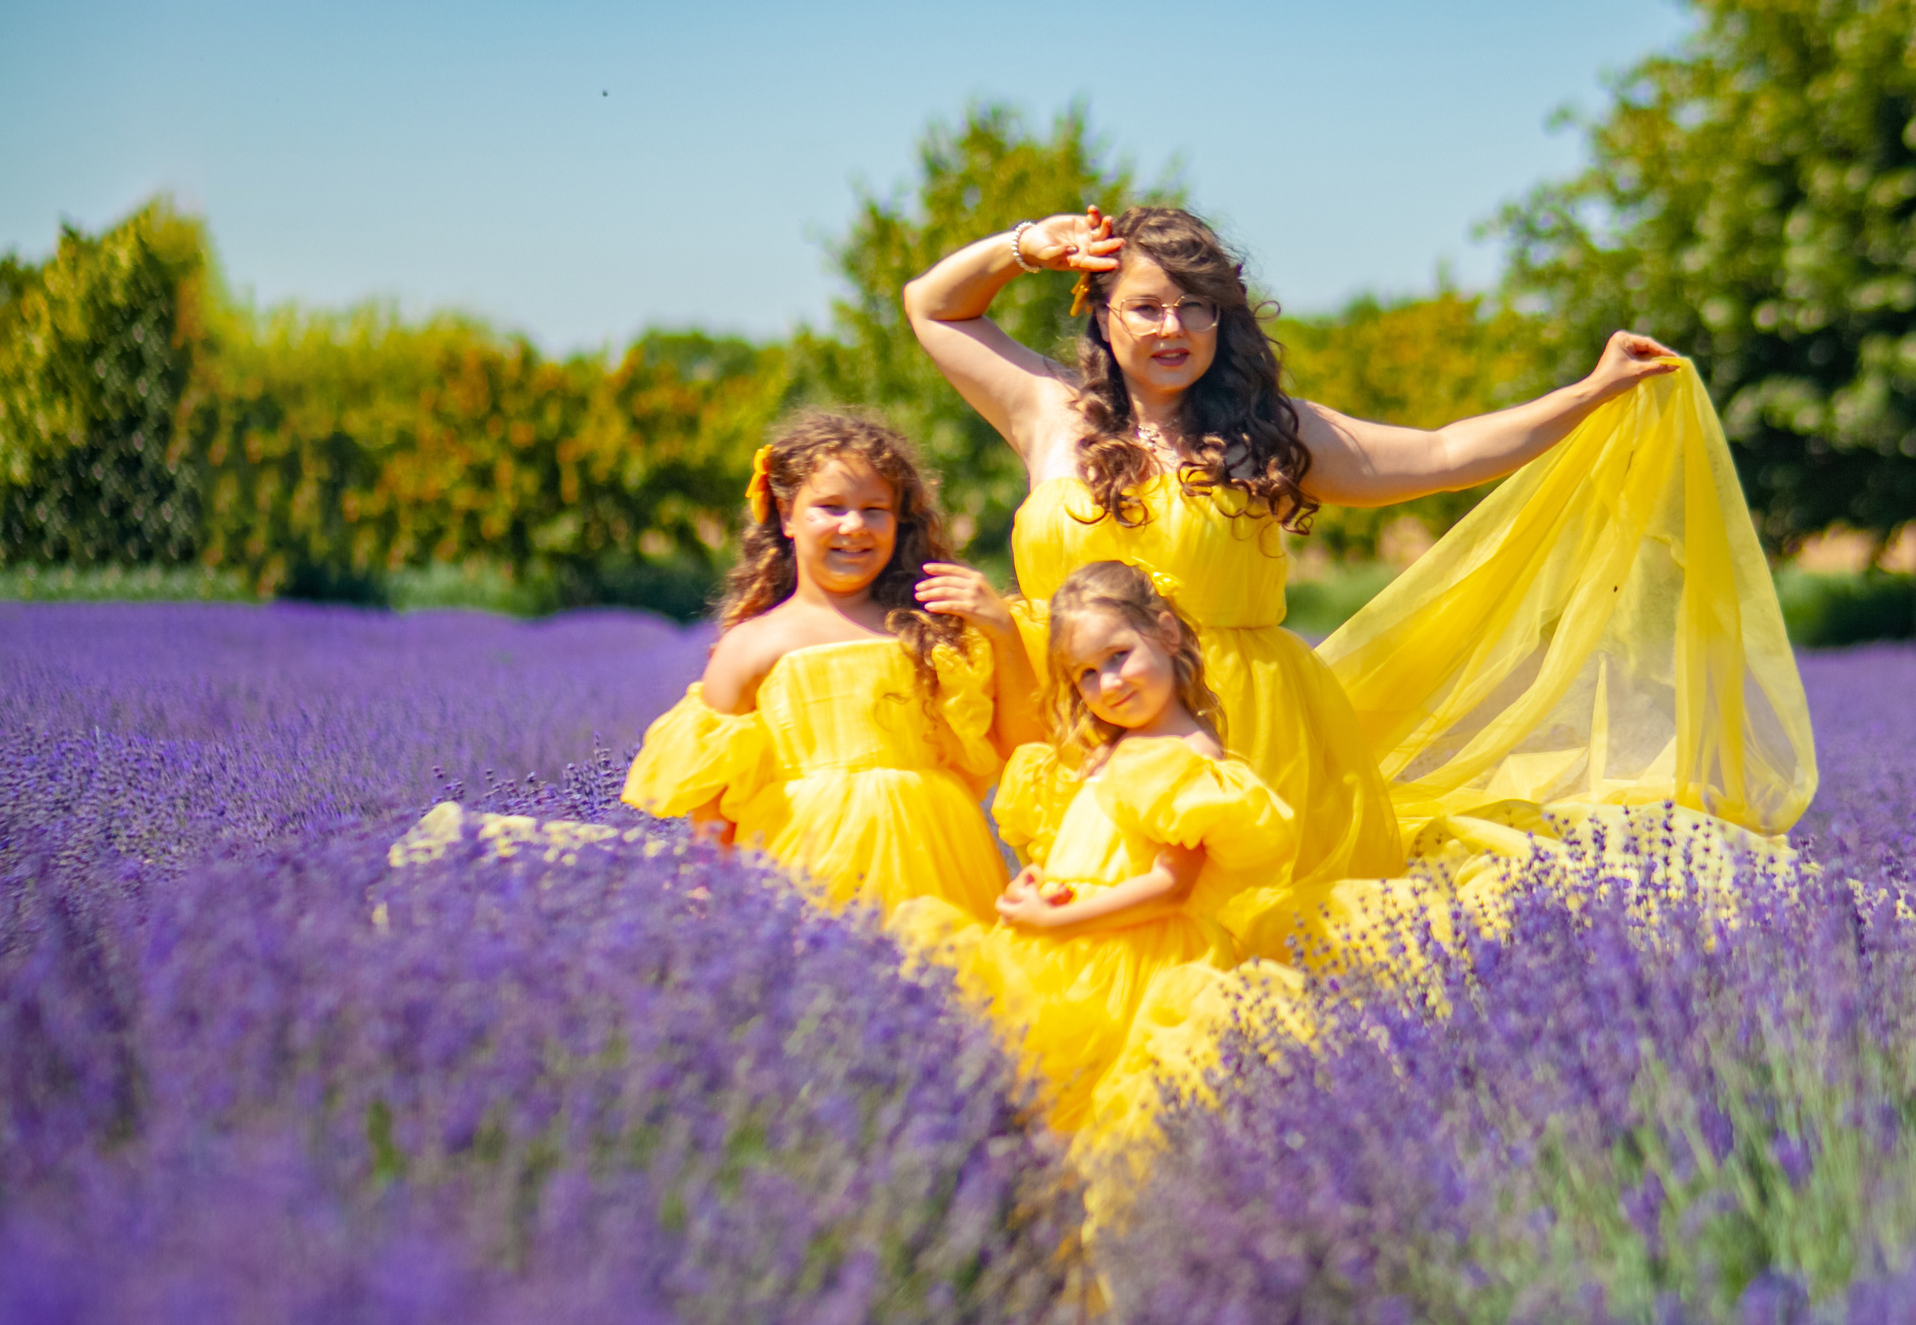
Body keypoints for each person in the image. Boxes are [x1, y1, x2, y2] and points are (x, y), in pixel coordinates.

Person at [902, 206, 1692, 954]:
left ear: (1224, 319)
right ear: (1102, 315)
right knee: (1093, 935)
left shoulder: (1265, 431)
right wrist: (1028, 246)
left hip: (1247, 732)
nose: (1173, 327)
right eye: (1146, 307)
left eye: (1196, 306)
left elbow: (1448, 453)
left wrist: (1592, 390)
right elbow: (933, 306)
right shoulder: (1048, 410)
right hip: (1081, 716)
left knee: (1242, 951)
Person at [903, 561, 1297, 1157]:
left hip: (1133, 964)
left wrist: (1056, 920)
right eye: (1086, 674)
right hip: (1065, 952)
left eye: (1118, 656)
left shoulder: (1187, 755)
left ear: (1166, 633)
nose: (1108, 684)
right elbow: (1087, 846)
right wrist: (1040, 882)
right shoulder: (1111, 749)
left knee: (1109, 1120)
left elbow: (1171, 887)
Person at [620, 407, 1038, 917]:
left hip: (941, 862)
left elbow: (1024, 749)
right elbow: (711, 804)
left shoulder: (933, 630)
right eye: (831, 506)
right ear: (787, 514)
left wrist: (1004, 632)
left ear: (899, 520)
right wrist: (712, 902)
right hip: (805, 865)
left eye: (875, 509)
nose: (854, 525)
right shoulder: (750, 646)